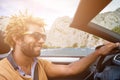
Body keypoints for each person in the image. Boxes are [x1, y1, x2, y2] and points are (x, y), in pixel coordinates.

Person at [0, 14, 119, 80]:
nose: (41, 41)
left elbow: (70, 69)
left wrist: (98, 53)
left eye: (43, 36)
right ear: (17, 38)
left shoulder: (40, 64)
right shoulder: (3, 72)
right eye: (36, 36)